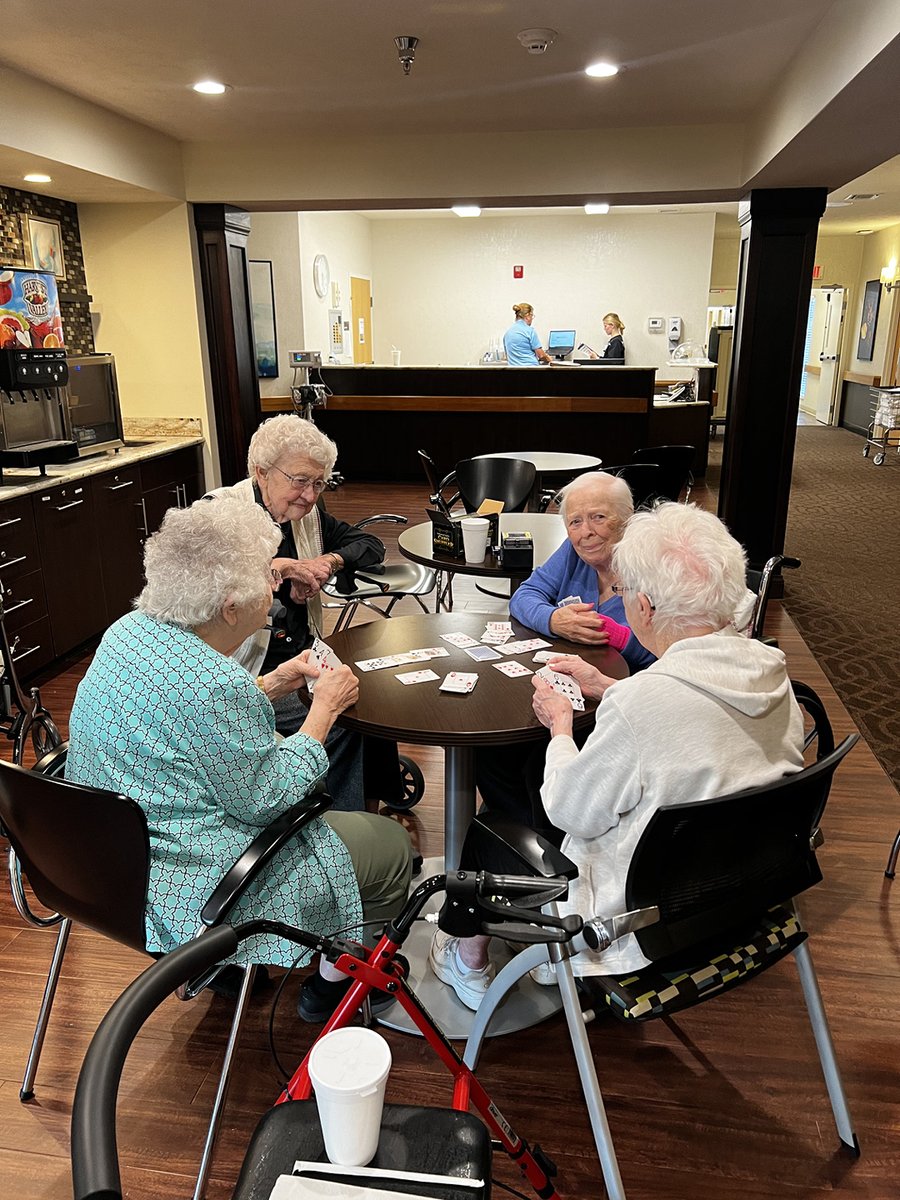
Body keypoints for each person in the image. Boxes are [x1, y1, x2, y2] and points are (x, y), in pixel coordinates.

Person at [431, 503, 805, 1008]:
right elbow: (693, 722)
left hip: (638, 928)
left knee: (495, 828)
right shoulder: (772, 673)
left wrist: (561, 726)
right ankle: (533, 955)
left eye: (625, 592)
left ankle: (467, 958)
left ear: (646, 607)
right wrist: (610, 687)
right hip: (746, 897)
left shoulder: (644, 703)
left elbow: (568, 810)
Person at [66, 497, 412, 1023]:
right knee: (389, 848)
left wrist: (271, 683)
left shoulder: (128, 631)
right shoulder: (217, 682)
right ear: (231, 606)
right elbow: (266, 799)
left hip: (99, 865)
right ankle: (334, 985)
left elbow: (186, 721)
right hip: (192, 884)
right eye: (266, 578)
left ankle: (289, 967)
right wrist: (324, 710)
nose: (275, 586)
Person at [208, 413, 396, 810]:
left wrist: (327, 562)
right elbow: (211, 592)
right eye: (300, 481)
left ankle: (374, 808)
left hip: (299, 654)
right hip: (243, 672)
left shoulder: (304, 516)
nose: (310, 496)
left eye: (319, 483)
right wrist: (284, 567)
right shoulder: (218, 515)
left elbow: (371, 546)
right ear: (261, 472)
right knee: (349, 718)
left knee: (375, 695)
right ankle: (345, 830)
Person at [475, 471, 654, 840]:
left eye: (599, 517)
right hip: (565, 681)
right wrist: (554, 619)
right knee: (490, 751)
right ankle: (521, 842)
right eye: (575, 521)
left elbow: (663, 650)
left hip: (624, 702)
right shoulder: (574, 553)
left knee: (533, 761)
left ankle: (548, 848)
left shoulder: (651, 565)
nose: (585, 531)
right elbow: (524, 596)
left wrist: (617, 636)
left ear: (627, 519)